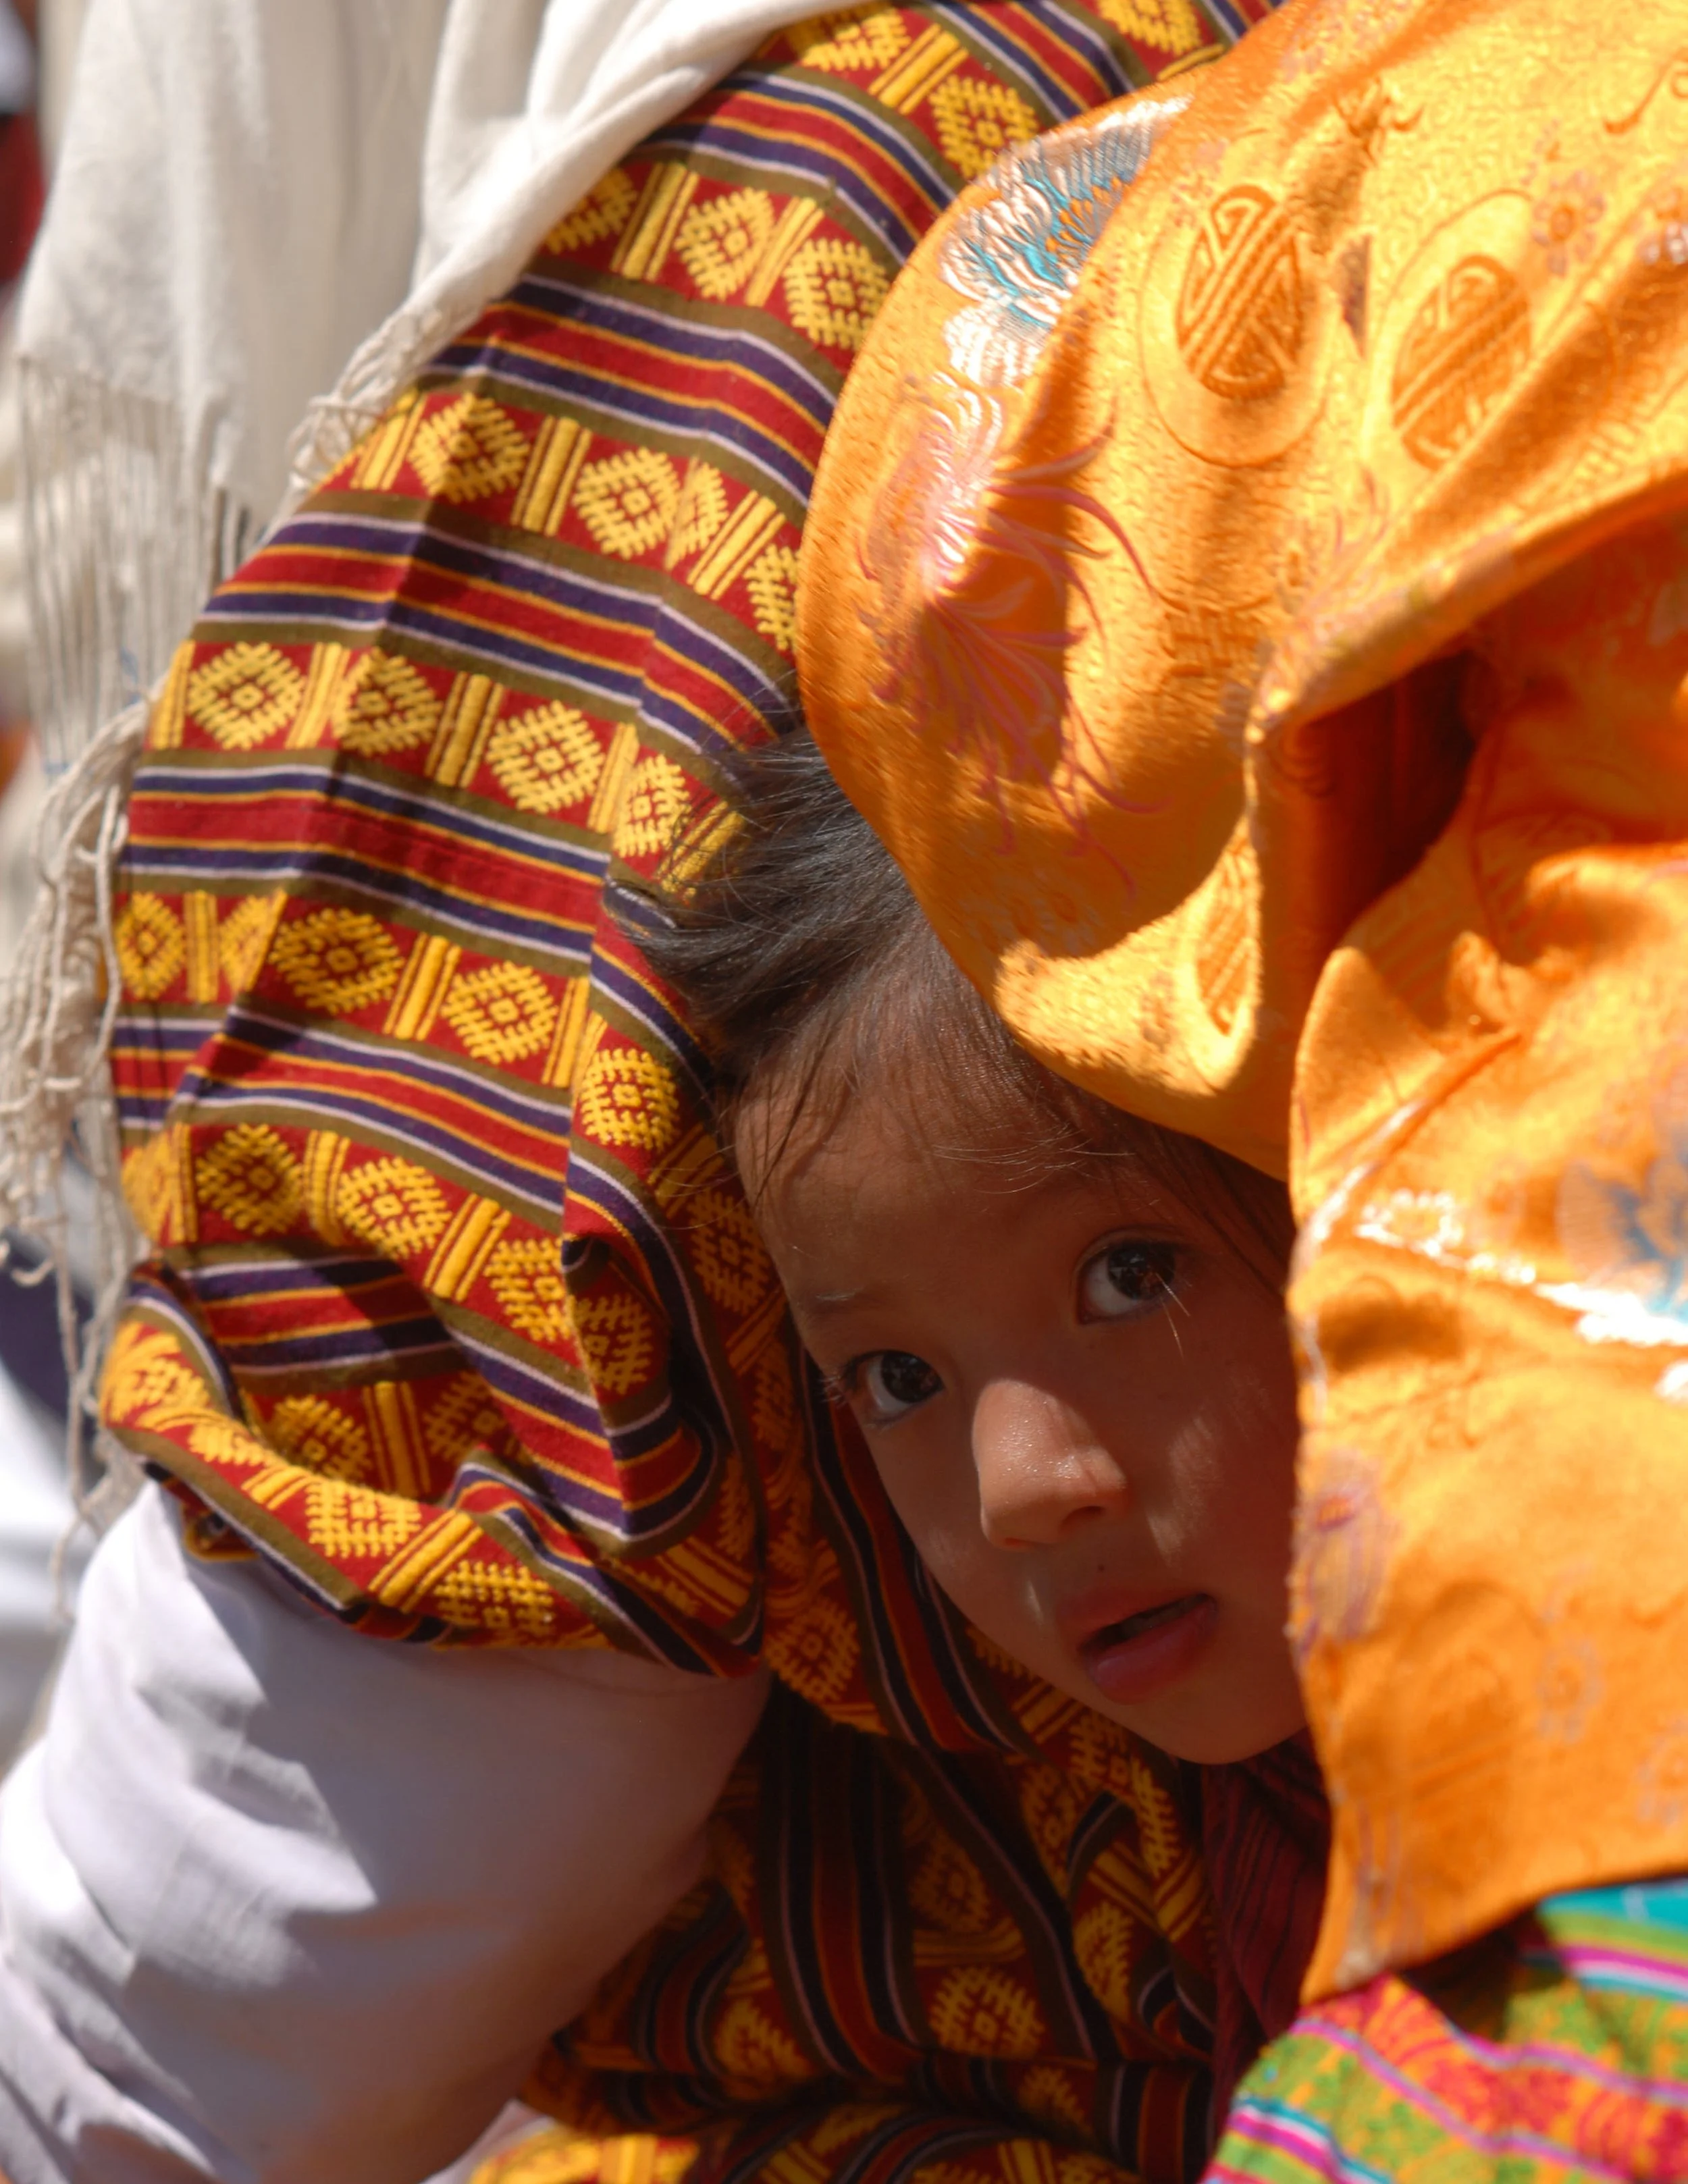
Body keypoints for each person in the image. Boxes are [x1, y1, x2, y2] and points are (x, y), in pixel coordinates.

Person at [1, 6, 1271, 2179]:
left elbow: (284, 1911)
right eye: (877, 1381)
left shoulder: (774, 243)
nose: (1029, 1477)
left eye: (1133, 1269)